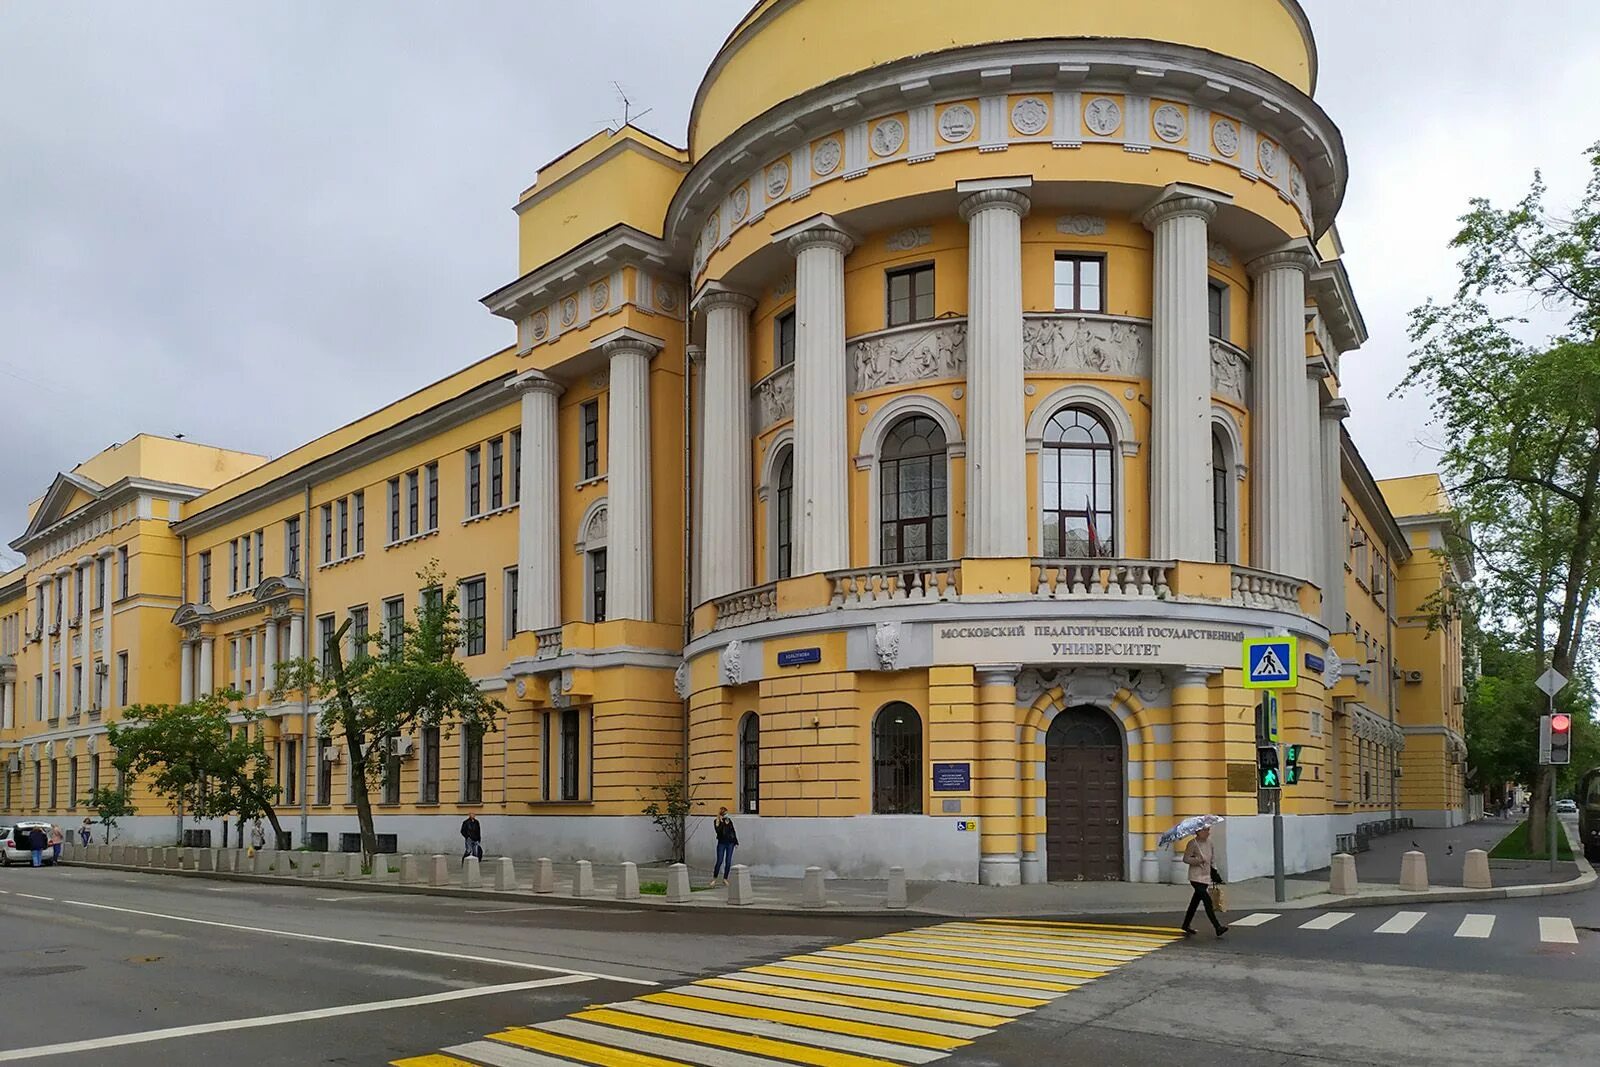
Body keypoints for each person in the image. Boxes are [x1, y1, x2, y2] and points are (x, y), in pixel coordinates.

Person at [1181, 826, 1228, 937]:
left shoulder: (1210, 843)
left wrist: (1215, 873)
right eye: (1205, 830)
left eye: (1208, 829)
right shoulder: (1192, 843)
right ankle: (1217, 927)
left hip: (1206, 876)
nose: (1208, 832)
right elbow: (1186, 859)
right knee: (1207, 902)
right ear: (1198, 831)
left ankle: (1185, 924)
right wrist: (1197, 860)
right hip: (1195, 877)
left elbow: (1212, 860)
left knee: (1194, 903)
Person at [711, 807, 738, 887]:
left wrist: (736, 842)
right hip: (721, 843)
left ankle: (725, 878)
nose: (727, 815)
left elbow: (733, 831)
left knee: (728, 861)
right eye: (725, 813)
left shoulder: (729, 821)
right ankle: (714, 878)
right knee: (719, 861)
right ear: (722, 815)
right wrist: (722, 822)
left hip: (730, 843)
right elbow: (718, 832)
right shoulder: (716, 822)